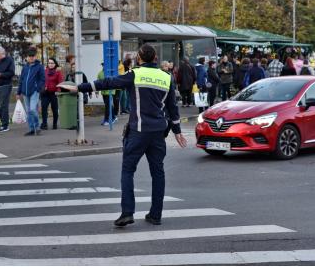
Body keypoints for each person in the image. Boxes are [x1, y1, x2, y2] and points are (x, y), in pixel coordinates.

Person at [58, 44, 187, 227]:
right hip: (158, 132)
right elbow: (172, 108)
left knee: (128, 171)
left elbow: (108, 83)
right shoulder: (166, 77)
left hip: (138, 132)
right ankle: (155, 215)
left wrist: (78, 88)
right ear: (155, 58)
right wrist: (177, 131)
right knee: (158, 173)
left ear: (140, 58)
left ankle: (127, 213)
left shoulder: (135, 74)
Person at [16, 46, 45, 136]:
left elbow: (42, 79)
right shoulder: (25, 67)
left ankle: (37, 127)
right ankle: (32, 129)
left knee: (32, 109)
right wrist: (18, 92)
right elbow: (21, 80)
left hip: (34, 91)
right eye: (29, 56)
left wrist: (37, 88)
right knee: (28, 111)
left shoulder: (39, 67)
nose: (31, 57)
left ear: (35, 56)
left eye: (33, 56)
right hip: (25, 92)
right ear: (27, 57)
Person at [41, 57, 63, 130]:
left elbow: (60, 82)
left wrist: (58, 90)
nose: (50, 64)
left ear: (55, 64)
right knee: (44, 108)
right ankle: (44, 124)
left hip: (54, 93)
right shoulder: (45, 71)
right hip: (45, 93)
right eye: (49, 63)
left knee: (55, 109)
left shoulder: (58, 72)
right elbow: (42, 81)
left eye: (52, 63)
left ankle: (55, 124)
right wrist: (43, 87)